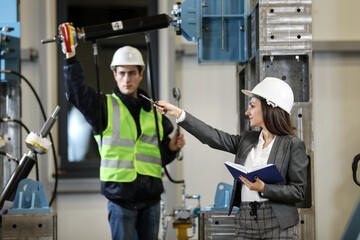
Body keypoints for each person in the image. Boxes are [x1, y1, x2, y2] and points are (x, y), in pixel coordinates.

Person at [59, 23, 185, 240]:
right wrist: (70, 54)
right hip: (120, 199)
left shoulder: (155, 113)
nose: (127, 79)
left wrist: (170, 148)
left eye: (132, 73)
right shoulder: (102, 107)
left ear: (141, 74)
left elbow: (156, 158)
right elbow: (76, 92)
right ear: (115, 75)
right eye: (122, 73)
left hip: (151, 199)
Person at [155, 77, 308, 239]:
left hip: (278, 223)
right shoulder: (247, 139)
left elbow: (298, 191)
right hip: (246, 220)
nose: (247, 112)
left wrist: (264, 188)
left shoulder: (292, 145)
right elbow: (212, 136)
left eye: (252, 106)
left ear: (269, 108)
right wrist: (179, 114)